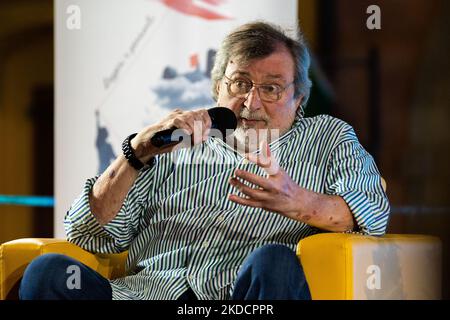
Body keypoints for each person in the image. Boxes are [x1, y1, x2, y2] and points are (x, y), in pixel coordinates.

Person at [19, 21, 390, 300]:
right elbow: (87, 236)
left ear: (299, 98)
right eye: (240, 84)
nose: (251, 103)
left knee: (275, 262)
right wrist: (135, 153)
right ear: (217, 88)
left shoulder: (327, 137)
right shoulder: (176, 141)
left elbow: (371, 213)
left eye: (271, 89)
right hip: (144, 293)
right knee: (47, 273)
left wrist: (299, 201)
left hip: (237, 299)